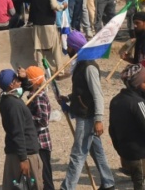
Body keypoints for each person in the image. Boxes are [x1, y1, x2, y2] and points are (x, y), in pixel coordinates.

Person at [58, 30, 117, 190]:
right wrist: (68, 98)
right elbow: (82, 91)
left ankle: (67, 187)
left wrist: (99, 119)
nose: (67, 50)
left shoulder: (89, 67)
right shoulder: (80, 63)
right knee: (96, 151)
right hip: (83, 113)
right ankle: (108, 182)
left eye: (68, 47)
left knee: (78, 154)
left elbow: (97, 95)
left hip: (88, 117)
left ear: (73, 47)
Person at [107, 64, 145, 190]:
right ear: (137, 84)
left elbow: (112, 130)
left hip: (126, 153)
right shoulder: (138, 103)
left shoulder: (115, 100)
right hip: (139, 155)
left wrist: (120, 151)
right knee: (143, 186)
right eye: (144, 81)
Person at [0, 69, 41, 190]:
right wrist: (23, 159)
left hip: (15, 151)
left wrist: (23, 78)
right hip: (25, 154)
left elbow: (26, 87)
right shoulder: (14, 105)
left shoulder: (4, 98)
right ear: (11, 84)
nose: (20, 83)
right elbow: (18, 133)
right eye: (17, 80)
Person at [21, 66, 53, 190]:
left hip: (41, 142)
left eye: (28, 79)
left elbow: (43, 120)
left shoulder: (38, 97)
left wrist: (27, 118)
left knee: (45, 176)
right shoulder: (34, 95)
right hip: (39, 141)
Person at [29, 0, 64, 74]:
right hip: (48, 23)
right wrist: (62, 6)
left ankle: (40, 71)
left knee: (38, 47)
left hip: (36, 23)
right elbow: (54, 6)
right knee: (56, 47)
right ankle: (60, 70)